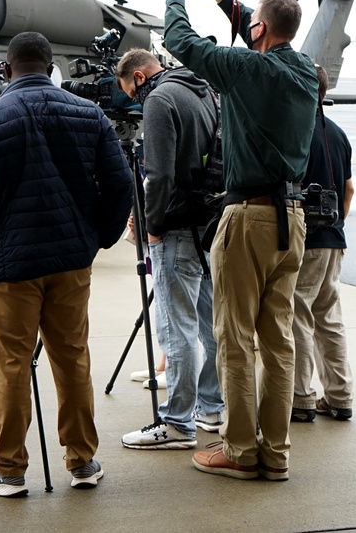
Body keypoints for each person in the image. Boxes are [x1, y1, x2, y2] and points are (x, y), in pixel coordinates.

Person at [0, 31, 133, 497]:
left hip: (8, 266)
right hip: (70, 261)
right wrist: (98, 237)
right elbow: (120, 184)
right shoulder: (89, 114)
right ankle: (82, 461)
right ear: (50, 65)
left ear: (7, 68)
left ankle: (9, 469)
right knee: (72, 359)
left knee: (11, 366)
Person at [163, 0, 318, 482]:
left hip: (248, 217)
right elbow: (253, 17)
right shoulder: (303, 71)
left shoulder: (250, 69)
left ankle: (237, 448)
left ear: (260, 31)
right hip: (293, 219)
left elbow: (182, 45)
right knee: (278, 341)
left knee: (233, 337)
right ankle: (275, 453)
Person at [114, 48, 225, 449]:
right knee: (212, 324)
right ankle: (212, 406)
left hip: (175, 226)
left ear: (139, 78)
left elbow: (157, 174)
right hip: (208, 223)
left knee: (176, 328)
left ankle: (177, 423)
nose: (131, 100)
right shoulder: (204, 92)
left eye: (130, 91)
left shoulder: (159, 99)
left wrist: (153, 226)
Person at [291, 64, 356, 422]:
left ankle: (301, 397)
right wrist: (339, 222)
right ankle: (340, 395)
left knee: (298, 315)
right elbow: (348, 188)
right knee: (329, 317)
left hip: (308, 236)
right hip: (334, 236)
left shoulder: (296, 132)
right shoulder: (338, 133)